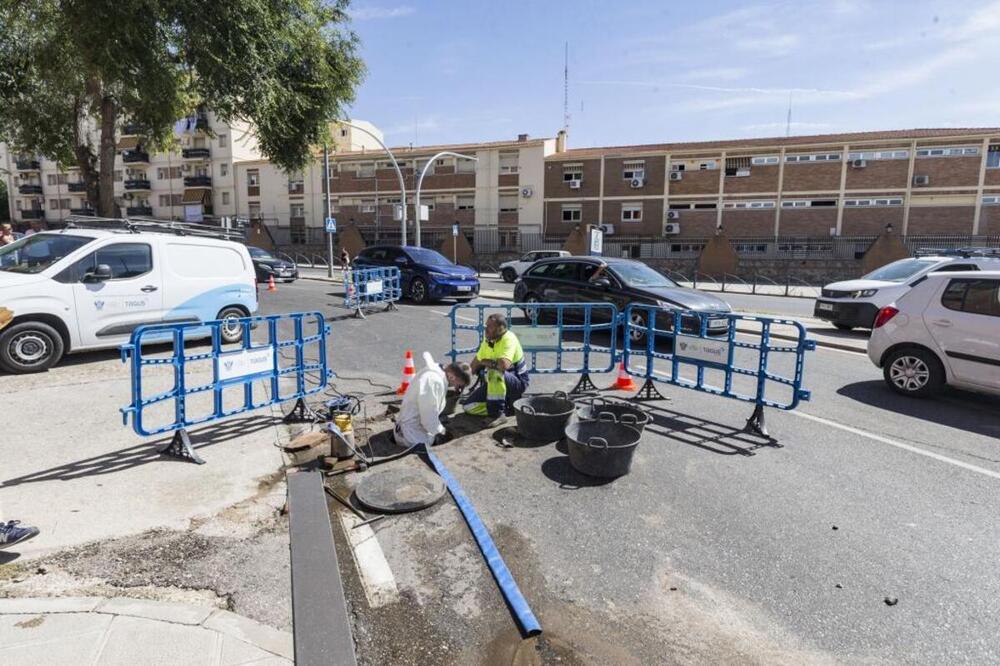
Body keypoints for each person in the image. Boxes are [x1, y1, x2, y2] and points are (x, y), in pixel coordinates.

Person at [393, 352, 473, 448]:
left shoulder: (438, 371)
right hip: (409, 435)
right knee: (432, 442)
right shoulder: (433, 382)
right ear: (452, 376)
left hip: (411, 426)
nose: (457, 389)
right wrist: (441, 432)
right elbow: (428, 417)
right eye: (459, 385)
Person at [462, 313, 529, 423]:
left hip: (517, 382)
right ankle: (507, 407)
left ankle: (497, 414)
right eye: (486, 325)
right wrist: (463, 381)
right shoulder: (488, 340)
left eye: (490, 326)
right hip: (496, 384)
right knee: (468, 407)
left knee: (495, 372)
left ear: (500, 329)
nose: (486, 329)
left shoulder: (509, 338)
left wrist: (485, 362)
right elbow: (476, 361)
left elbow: (503, 365)